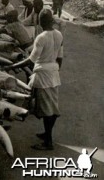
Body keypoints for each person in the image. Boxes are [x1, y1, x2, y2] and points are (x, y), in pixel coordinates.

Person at [5, 9, 63, 150]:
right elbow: (60, 57)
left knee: (47, 109)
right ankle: (46, 134)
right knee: (48, 105)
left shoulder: (42, 37)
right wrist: (54, 68)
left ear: (41, 22)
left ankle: (48, 142)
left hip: (43, 75)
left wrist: (12, 65)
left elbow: (31, 60)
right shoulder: (59, 34)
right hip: (53, 73)